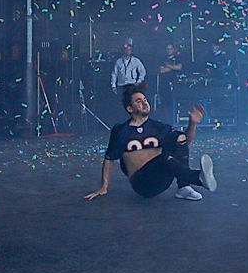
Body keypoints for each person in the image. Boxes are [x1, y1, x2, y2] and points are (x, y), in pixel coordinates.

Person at [84, 83, 215, 202]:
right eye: (139, 101)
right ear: (130, 108)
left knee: (179, 137)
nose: (144, 103)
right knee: (164, 157)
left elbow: (185, 142)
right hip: (142, 183)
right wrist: (103, 187)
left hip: (161, 179)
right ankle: (197, 178)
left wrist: (192, 123)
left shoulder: (159, 128)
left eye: (145, 99)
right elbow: (109, 159)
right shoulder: (121, 131)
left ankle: (183, 187)